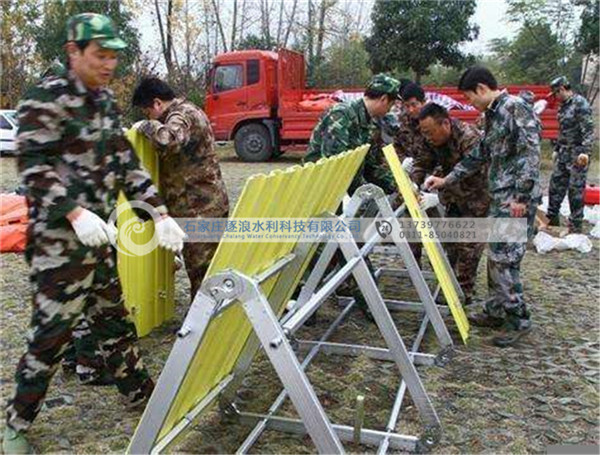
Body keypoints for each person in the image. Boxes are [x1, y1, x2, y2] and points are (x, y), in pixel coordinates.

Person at [3, 13, 186, 454]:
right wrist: (74, 212)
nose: (108, 65)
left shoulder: (104, 102)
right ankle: (16, 424)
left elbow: (126, 165)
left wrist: (160, 215)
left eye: (113, 57)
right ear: (73, 51)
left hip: (99, 240)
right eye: (99, 55)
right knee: (50, 336)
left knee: (115, 322)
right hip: (58, 245)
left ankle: (141, 393)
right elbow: (33, 166)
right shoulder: (43, 100)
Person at [425, 66, 541, 348]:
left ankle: (518, 317)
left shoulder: (515, 109)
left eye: (469, 97)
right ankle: (496, 308)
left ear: (481, 88)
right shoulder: (492, 114)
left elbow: (531, 155)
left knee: (505, 258)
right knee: (497, 254)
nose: (470, 103)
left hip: (514, 199)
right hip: (501, 196)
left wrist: (521, 199)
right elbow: (481, 153)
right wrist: (446, 179)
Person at [304, 74, 401, 320]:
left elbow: (369, 165)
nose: (391, 108)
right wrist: (362, 193)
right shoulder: (342, 115)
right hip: (321, 190)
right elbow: (335, 166)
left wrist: (396, 186)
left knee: (346, 243)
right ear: (382, 99)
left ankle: (363, 298)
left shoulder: (367, 123)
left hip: (339, 191)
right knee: (320, 247)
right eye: (391, 103)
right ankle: (299, 301)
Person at [132, 77, 230, 299]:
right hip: (204, 204)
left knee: (202, 271)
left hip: (199, 209)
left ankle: (206, 327)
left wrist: (146, 126)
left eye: (148, 112)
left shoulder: (181, 115)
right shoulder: (189, 110)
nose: (148, 117)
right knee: (207, 267)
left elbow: (170, 140)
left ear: (157, 103)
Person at [414, 103, 489, 306]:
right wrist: (414, 181)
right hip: (454, 199)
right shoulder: (432, 139)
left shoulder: (469, 137)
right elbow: (422, 161)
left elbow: (475, 178)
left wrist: (440, 197)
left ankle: (463, 296)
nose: (428, 137)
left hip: (476, 199)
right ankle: (451, 287)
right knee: (451, 245)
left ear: (445, 123)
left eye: (430, 132)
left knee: (468, 248)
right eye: (424, 133)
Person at [546, 76, 594, 233]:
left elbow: (588, 129)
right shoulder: (564, 106)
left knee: (575, 191)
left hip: (577, 154)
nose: (555, 98)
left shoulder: (580, 104)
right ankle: (552, 220)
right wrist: (557, 148)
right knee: (555, 187)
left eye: (555, 94)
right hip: (564, 152)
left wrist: (585, 152)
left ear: (561, 89)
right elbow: (563, 131)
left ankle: (575, 226)